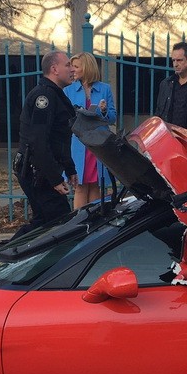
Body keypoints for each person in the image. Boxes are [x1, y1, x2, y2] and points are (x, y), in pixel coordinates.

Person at [13, 50, 77, 237]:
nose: (72, 69)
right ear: (54, 69)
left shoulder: (55, 95)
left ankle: (7, 257)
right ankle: (5, 257)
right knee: (58, 220)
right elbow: (38, 142)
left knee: (45, 222)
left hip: (42, 171)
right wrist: (54, 179)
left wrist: (69, 168)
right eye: (68, 65)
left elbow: (60, 138)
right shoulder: (45, 97)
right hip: (36, 172)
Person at [64, 52, 117, 209]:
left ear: (86, 68)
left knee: (96, 185)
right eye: (71, 66)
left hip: (98, 143)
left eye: (76, 66)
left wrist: (104, 110)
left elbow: (113, 118)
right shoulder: (68, 90)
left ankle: (94, 221)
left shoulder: (104, 89)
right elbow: (65, 119)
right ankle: (79, 224)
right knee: (80, 186)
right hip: (78, 144)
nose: (72, 69)